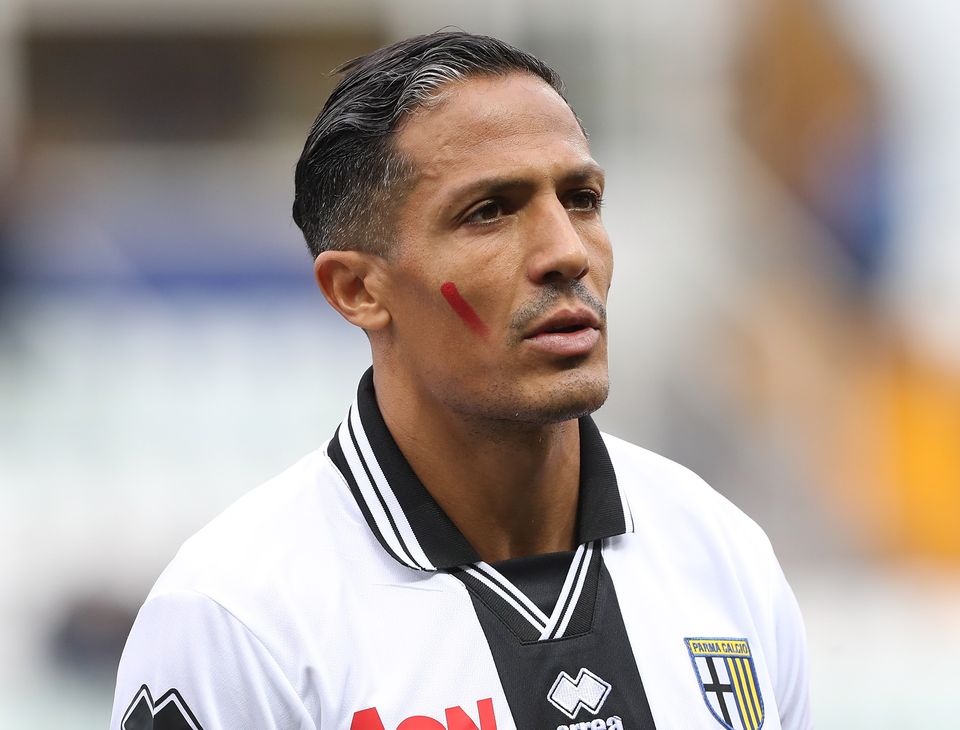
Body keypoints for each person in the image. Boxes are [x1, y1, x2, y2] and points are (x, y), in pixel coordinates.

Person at [110, 31, 812, 730]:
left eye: (582, 198)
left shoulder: (721, 553)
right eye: (490, 211)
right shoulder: (235, 619)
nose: (567, 252)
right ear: (357, 289)